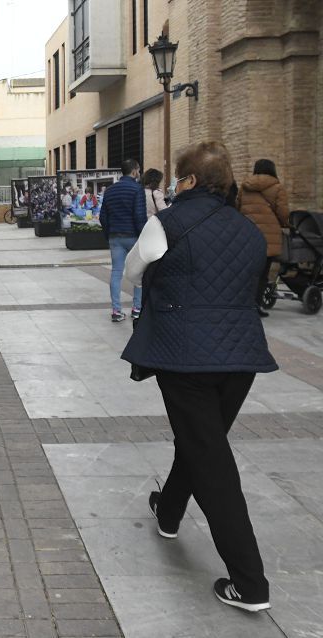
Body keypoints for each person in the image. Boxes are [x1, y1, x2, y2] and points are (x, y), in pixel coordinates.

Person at [121, 141, 277, 613]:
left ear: (188, 182)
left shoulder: (165, 223)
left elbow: (132, 274)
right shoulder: (249, 230)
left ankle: (250, 583)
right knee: (201, 441)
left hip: (185, 358)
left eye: (176, 179)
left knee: (211, 461)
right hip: (241, 359)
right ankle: (168, 510)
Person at [237, 159, 289, 318]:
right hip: (268, 236)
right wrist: (286, 224)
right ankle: (256, 305)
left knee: (247, 271)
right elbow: (283, 213)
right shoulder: (277, 187)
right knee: (262, 272)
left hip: (246, 234)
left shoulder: (244, 187)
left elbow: (237, 208)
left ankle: (242, 303)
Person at [100, 158, 146, 321]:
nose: (139, 173)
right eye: (138, 170)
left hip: (115, 237)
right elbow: (139, 215)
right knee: (139, 273)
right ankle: (137, 308)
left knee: (116, 273)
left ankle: (116, 311)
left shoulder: (110, 191)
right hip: (133, 236)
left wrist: (109, 234)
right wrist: (143, 237)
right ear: (134, 171)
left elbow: (103, 216)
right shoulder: (137, 189)